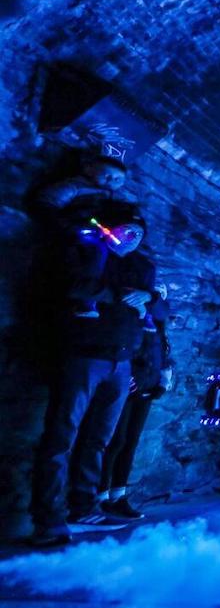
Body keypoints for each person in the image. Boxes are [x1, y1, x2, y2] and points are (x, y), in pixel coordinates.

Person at [30, 203, 153, 546]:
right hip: (84, 357)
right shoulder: (84, 251)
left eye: (139, 233)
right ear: (111, 228)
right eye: (128, 230)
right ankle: (48, 519)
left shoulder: (141, 266)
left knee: (99, 438)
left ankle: (84, 507)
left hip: (121, 360)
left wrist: (149, 296)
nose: (133, 237)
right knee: (62, 435)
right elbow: (73, 287)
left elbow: (152, 311)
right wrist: (119, 295)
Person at [96, 283, 173, 520]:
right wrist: (125, 375)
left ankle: (118, 495)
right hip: (127, 386)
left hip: (147, 387)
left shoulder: (157, 325)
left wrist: (162, 381)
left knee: (130, 441)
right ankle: (101, 496)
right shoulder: (130, 318)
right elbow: (126, 346)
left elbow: (163, 354)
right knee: (115, 440)